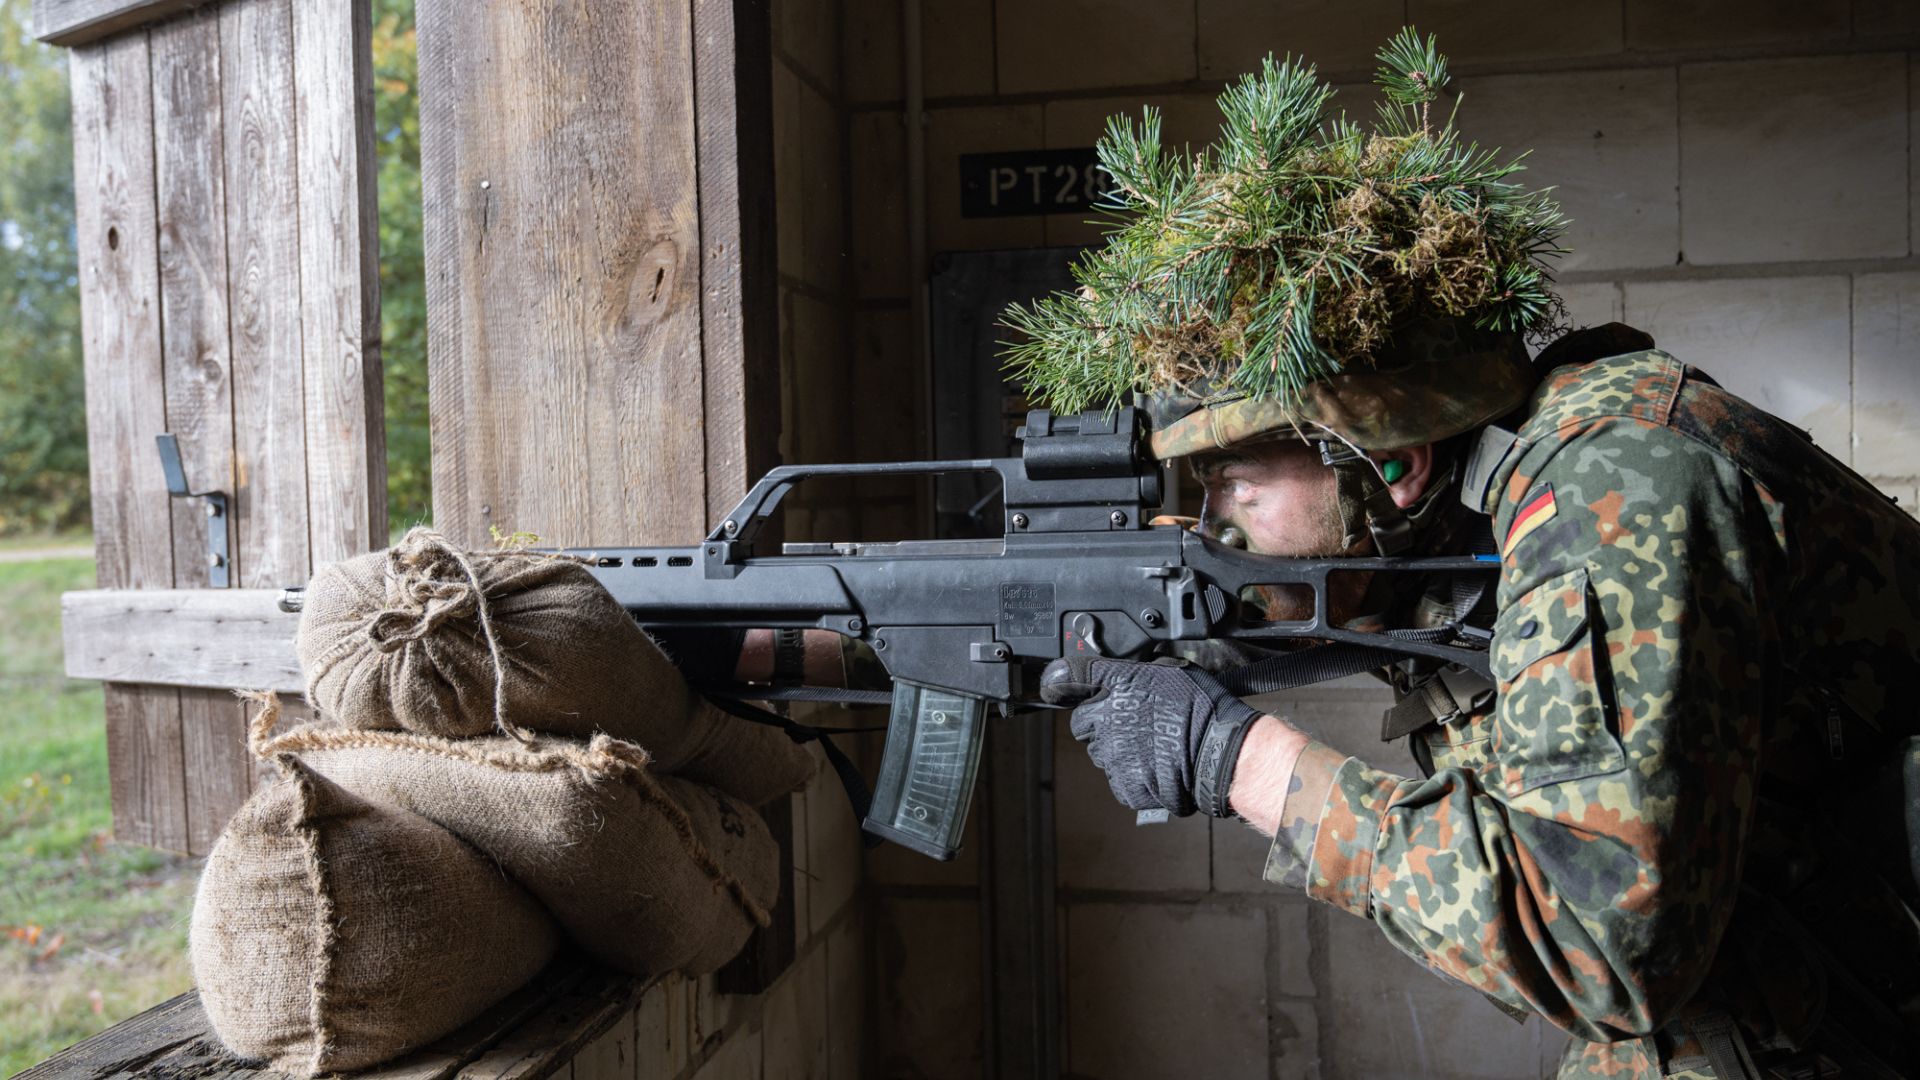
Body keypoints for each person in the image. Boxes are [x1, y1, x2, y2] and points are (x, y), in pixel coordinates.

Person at [1007, 32, 1920, 1080]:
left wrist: (1238, 760)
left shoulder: (1612, 490)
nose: (1213, 517)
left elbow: (1598, 944)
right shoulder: (1467, 519)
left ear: (1383, 464)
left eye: (1230, 479)